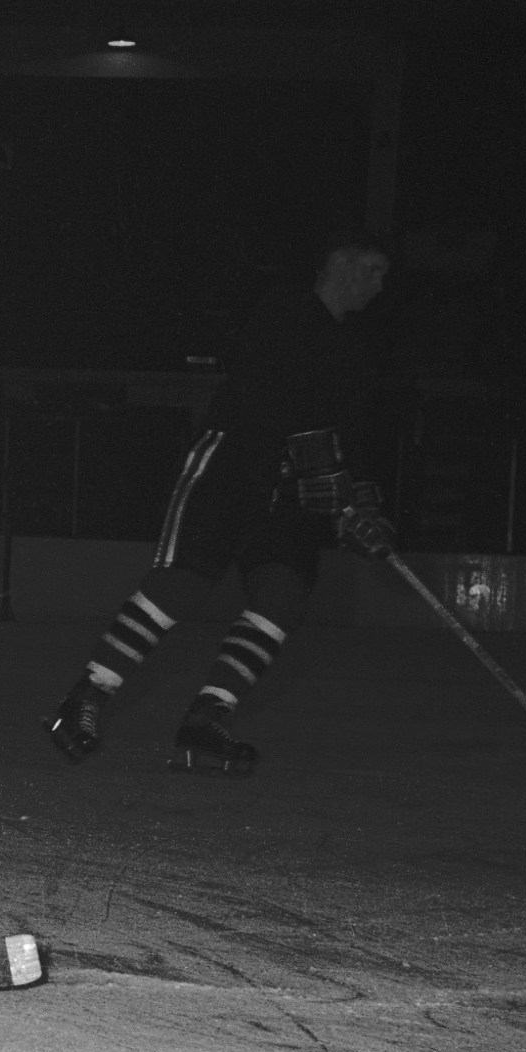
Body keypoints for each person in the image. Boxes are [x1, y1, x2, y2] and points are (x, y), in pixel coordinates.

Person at [40, 230, 394, 776]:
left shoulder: (354, 353)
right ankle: (84, 699)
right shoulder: (283, 312)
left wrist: (361, 504)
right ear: (340, 266)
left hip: (293, 491)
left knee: (284, 594)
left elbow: (354, 437)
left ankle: (207, 718)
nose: (380, 283)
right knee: (180, 584)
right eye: (372, 269)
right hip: (233, 467)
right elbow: (276, 395)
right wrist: (320, 462)